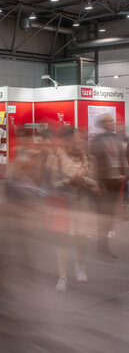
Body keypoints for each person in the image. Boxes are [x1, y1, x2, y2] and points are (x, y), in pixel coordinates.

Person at [48, 127, 99, 291]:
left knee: (81, 239)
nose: (80, 141)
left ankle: (80, 264)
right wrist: (70, 180)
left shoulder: (86, 157)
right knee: (62, 241)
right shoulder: (56, 156)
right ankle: (62, 277)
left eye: (80, 139)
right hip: (63, 204)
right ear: (67, 140)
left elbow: (94, 179)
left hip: (82, 204)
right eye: (77, 138)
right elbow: (53, 182)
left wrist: (87, 182)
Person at [89, 113, 127, 260]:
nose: (113, 123)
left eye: (113, 120)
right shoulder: (97, 141)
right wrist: (97, 183)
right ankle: (102, 248)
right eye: (110, 121)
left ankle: (103, 246)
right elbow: (94, 164)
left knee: (110, 218)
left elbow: (123, 158)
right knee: (103, 218)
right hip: (103, 184)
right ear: (103, 124)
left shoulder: (118, 138)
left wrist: (125, 175)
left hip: (116, 182)